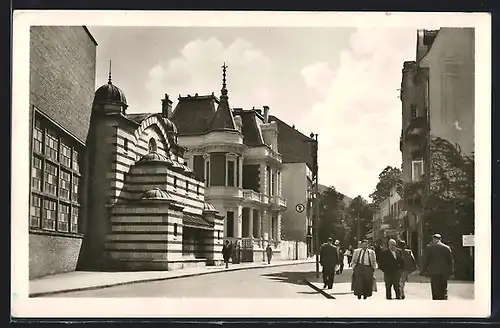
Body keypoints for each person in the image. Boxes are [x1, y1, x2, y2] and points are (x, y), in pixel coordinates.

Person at [421, 233, 454, 300]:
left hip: (433, 271)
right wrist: (451, 271)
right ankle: (443, 298)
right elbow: (450, 261)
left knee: (435, 288)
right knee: (443, 287)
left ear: (433, 239)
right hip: (444, 271)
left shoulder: (429, 247)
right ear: (440, 239)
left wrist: (423, 270)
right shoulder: (446, 248)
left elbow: (425, 260)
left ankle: (436, 301)